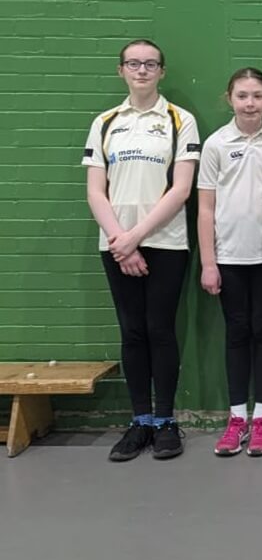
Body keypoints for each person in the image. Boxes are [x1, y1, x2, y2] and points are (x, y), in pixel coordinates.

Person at [83, 39, 199, 462]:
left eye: (151, 64)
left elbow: (181, 189)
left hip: (165, 242)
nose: (142, 70)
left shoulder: (180, 120)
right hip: (116, 245)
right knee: (132, 331)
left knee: (160, 329)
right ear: (121, 71)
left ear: (161, 72)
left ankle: (165, 422)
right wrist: (121, 239)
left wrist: (138, 236)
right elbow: (96, 191)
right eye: (134, 63)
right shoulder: (105, 122)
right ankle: (140, 421)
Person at [198, 68, 262, 457]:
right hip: (229, 257)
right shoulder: (216, 144)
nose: (250, 104)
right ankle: (237, 419)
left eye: (258, 96)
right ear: (229, 98)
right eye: (242, 96)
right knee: (236, 333)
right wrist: (209, 262)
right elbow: (205, 208)